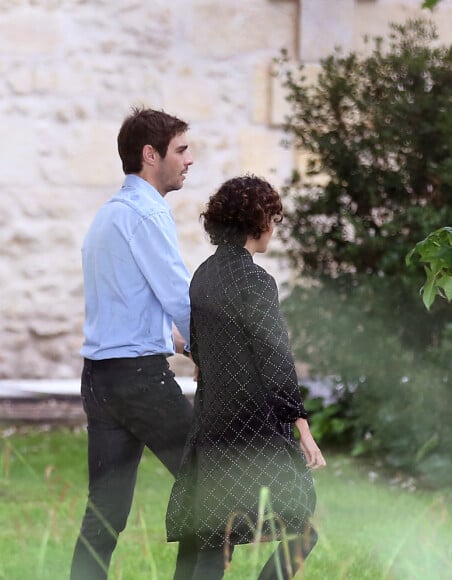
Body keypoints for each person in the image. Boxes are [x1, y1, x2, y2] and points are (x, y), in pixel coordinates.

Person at [166, 174, 326, 580]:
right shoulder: (256, 281)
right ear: (259, 222)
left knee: (209, 536)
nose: (274, 227)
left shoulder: (203, 276)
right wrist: (302, 429)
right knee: (300, 522)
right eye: (273, 217)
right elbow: (276, 360)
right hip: (252, 430)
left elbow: (199, 350)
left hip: (212, 427)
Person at [70, 107, 196, 579]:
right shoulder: (146, 214)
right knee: (211, 482)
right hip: (140, 380)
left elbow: (135, 310)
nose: (189, 160)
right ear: (151, 154)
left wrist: (185, 346)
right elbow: (178, 297)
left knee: (104, 513)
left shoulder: (108, 217)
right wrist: (214, 354)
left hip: (101, 380)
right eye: (181, 150)